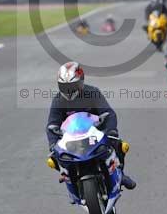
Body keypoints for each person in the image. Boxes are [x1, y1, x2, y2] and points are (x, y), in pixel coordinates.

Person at [46, 61, 136, 189]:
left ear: (81, 81)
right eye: (64, 87)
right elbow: (52, 124)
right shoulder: (58, 100)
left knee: (118, 144)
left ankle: (120, 174)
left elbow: (108, 113)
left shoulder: (93, 93)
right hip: (72, 137)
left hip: (95, 132)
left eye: (72, 85)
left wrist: (111, 132)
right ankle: (68, 176)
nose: (69, 90)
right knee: (54, 157)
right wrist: (53, 143)